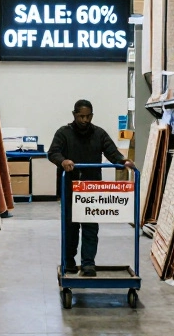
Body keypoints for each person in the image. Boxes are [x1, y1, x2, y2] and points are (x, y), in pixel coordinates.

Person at [48, 99, 133, 277]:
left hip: (91, 189)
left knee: (90, 228)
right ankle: (69, 260)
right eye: (81, 116)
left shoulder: (99, 134)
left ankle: (88, 264)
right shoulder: (63, 133)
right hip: (70, 188)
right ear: (74, 115)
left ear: (92, 116)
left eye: (88, 116)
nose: (85, 120)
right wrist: (63, 161)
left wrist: (122, 161)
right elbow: (53, 152)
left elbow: (111, 151)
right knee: (70, 228)